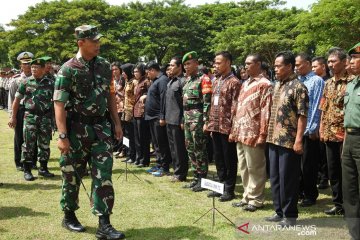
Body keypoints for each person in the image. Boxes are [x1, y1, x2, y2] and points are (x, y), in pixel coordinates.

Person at [53, 25, 124, 239]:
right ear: (80, 43)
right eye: (93, 41)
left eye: (98, 40)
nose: (98, 44)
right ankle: (69, 215)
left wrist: (117, 123)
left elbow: (110, 95)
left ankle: (104, 224)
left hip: (101, 129)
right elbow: (59, 104)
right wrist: (63, 136)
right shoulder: (68, 69)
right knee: (72, 175)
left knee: (104, 174)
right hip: (76, 130)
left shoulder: (104, 66)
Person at [265, 51, 309, 227]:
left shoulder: (299, 87)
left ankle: (290, 215)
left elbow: (302, 116)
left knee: (287, 180)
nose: (275, 69)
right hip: (273, 139)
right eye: (274, 66)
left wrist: (299, 140)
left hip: (289, 141)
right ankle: (279, 211)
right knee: (274, 177)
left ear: (289, 66)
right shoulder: (277, 85)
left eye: (278, 65)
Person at [230, 54, 272, 211]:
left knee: (256, 167)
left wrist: (263, 134)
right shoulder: (245, 83)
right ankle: (247, 196)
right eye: (245, 64)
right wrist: (234, 130)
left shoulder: (265, 84)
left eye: (249, 64)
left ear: (258, 64)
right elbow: (239, 108)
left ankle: (256, 199)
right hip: (241, 132)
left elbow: (266, 110)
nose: (245, 66)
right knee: (244, 166)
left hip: (254, 133)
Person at [319, 47, 354, 216]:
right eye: (329, 61)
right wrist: (321, 129)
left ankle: (350, 205)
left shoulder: (352, 82)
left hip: (345, 136)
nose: (330, 64)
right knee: (333, 172)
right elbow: (323, 109)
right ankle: (338, 203)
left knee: (348, 173)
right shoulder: (328, 83)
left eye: (334, 61)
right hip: (329, 135)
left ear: (344, 62)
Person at [8, 58, 55, 181]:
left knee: (44, 144)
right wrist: (13, 116)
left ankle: (43, 169)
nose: (33, 69)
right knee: (28, 144)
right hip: (30, 116)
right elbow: (17, 100)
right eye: (32, 67)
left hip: (45, 117)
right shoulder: (25, 82)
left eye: (36, 67)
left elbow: (56, 102)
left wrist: (54, 120)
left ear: (44, 69)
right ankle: (27, 170)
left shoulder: (50, 83)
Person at [205, 51, 241, 201]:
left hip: (227, 128)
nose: (215, 65)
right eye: (215, 62)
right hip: (215, 126)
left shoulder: (235, 82)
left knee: (229, 159)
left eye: (219, 62)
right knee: (218, 158)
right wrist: (208, 123)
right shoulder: (216, 80)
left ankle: (229, 189)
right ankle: (220, 186)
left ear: (228, 63)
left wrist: (233, 128)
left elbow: (236, 107)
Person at [295, 53, 325, 207]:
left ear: (307, 63)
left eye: (299, 64)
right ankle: (299, 191)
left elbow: (317, 106)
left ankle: (310, 195)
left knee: (308, 165)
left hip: (309, 130)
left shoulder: (317, 81)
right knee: (297, 165)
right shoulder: (297, 81)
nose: (296, 67)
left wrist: (312, 128)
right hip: (296, 130)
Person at [182, 51, 212, 191]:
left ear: (196, 63)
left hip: (198, 119)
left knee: (200, 148)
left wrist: (206, 120)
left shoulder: (204, 79)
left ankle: (203, 179)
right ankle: (196, 176)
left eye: (188, 63)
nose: (186, 67)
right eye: (184, 65)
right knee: (190, 148)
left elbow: (207, 102)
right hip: (188, 118)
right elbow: (185, 103)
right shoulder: (188, 80)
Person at [342, 42, 360, 240]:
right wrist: (346, 143)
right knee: (350, 187)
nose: (351, 62)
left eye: (355, 58)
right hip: (350, 139)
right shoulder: (351, 84)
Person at [144, 61, 172, 177]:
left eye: (148, 73)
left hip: (157, 117)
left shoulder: (162, 80)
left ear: (152, 70)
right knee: (156, 144)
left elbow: (163, 99)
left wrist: (162, 116)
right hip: (151, 117)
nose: (147, 75)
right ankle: (159, 164)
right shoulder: (155, 81)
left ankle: (165, 167)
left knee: (162, 144)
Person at [8, 51, 34, 171]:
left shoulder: (38, 79)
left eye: (29, 63)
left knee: (33, 136)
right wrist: (11, 116)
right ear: (21, 66)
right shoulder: (15, 80)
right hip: (20, 110)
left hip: (33, 110)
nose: (27, 66)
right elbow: (12, 99)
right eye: (25, 64)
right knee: (19, 136)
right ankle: (19, 162)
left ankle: (32, 161)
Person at [165, 56, 188, 182]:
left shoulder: (183, 81)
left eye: (173, 65)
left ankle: (181, 173)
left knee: (179, 149)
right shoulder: (171, 81)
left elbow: (184, 104)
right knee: (173, 148)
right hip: (169, 119)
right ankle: (176, 170)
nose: (170, 67)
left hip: (178, 120)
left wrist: (182, 120)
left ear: (180, 67)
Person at [311, 56, 330, 190]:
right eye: (311, 67)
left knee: (324, 153)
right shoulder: (312, 81)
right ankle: (317, 176)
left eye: (315, 66)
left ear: (323, 67)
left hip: (325, 122)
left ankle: (324, 178)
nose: (313, 69)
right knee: (316, 153)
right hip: (314, 122)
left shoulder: (328, 81)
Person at [133, 63, 151, 167]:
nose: (135, 73)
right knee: (137, 137)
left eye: (137, 71)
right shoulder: (137, 82)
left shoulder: (146, 82)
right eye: (134, 71)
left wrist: (146, 95)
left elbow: (150, 93)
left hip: (142, 112)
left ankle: (145, 159)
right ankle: (139, 157)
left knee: (143, 137)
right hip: (135, 111)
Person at [120, 63, 137, 164]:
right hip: (125, 111)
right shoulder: (127, 81)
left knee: (132, 135)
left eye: (124, 72)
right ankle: (128, 153)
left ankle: (133, 155)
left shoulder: (134, 82)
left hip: (131, 112)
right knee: (126, 134)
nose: (122, 74)